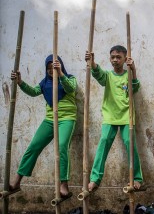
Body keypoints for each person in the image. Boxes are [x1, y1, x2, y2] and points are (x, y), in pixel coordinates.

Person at [10, 55, 77, 196]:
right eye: (48, 69)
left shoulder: (70, 78)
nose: (51, 71)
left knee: (62, 146)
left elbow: (70, 89)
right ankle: (16, 182)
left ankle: (63, 184)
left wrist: (61, 74)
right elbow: (33, 92)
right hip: (50, 120)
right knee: (34, 146)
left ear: (60, 66)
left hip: (66, 119)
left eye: (54, 68)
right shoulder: (45, 83)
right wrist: (20, 82)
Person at [85, 45, 143, 192]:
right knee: (103, 143)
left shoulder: (128, 75)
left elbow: (135, 88)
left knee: (131, 144)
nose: (115, 60)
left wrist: (134, 70)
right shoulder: (108, 76)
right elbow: (99, 75)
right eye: (112, 57)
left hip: (126, 116)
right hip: (110, 116)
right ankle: (95, 179)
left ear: (125, 59)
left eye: (118, 57)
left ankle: (137, 178)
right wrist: (92, 63)